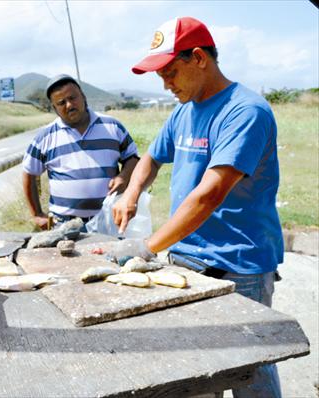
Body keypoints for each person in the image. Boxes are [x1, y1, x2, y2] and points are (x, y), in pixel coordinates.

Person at [112, 17, 283, 397]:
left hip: (238, 267)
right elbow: (151, 158)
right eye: (161, 77)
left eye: (171, 72)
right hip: (188, 260)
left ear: (200, 58)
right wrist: (131, 193)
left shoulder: (245, 111)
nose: (166, 84)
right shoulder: (184, 112)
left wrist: (146, 247)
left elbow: (209, 195)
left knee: (249, 369)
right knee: (199, 369)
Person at [22, 74, 139, 230]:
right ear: (54, 108)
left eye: (73, 98)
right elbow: (29, 173)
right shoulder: (45, 137)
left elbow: (133, 158)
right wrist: (37, 214)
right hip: (63, 224)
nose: (69, 105)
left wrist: (123, 177)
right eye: (61, 102)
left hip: (109, 220)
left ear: (83, 96)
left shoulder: (113, 127)